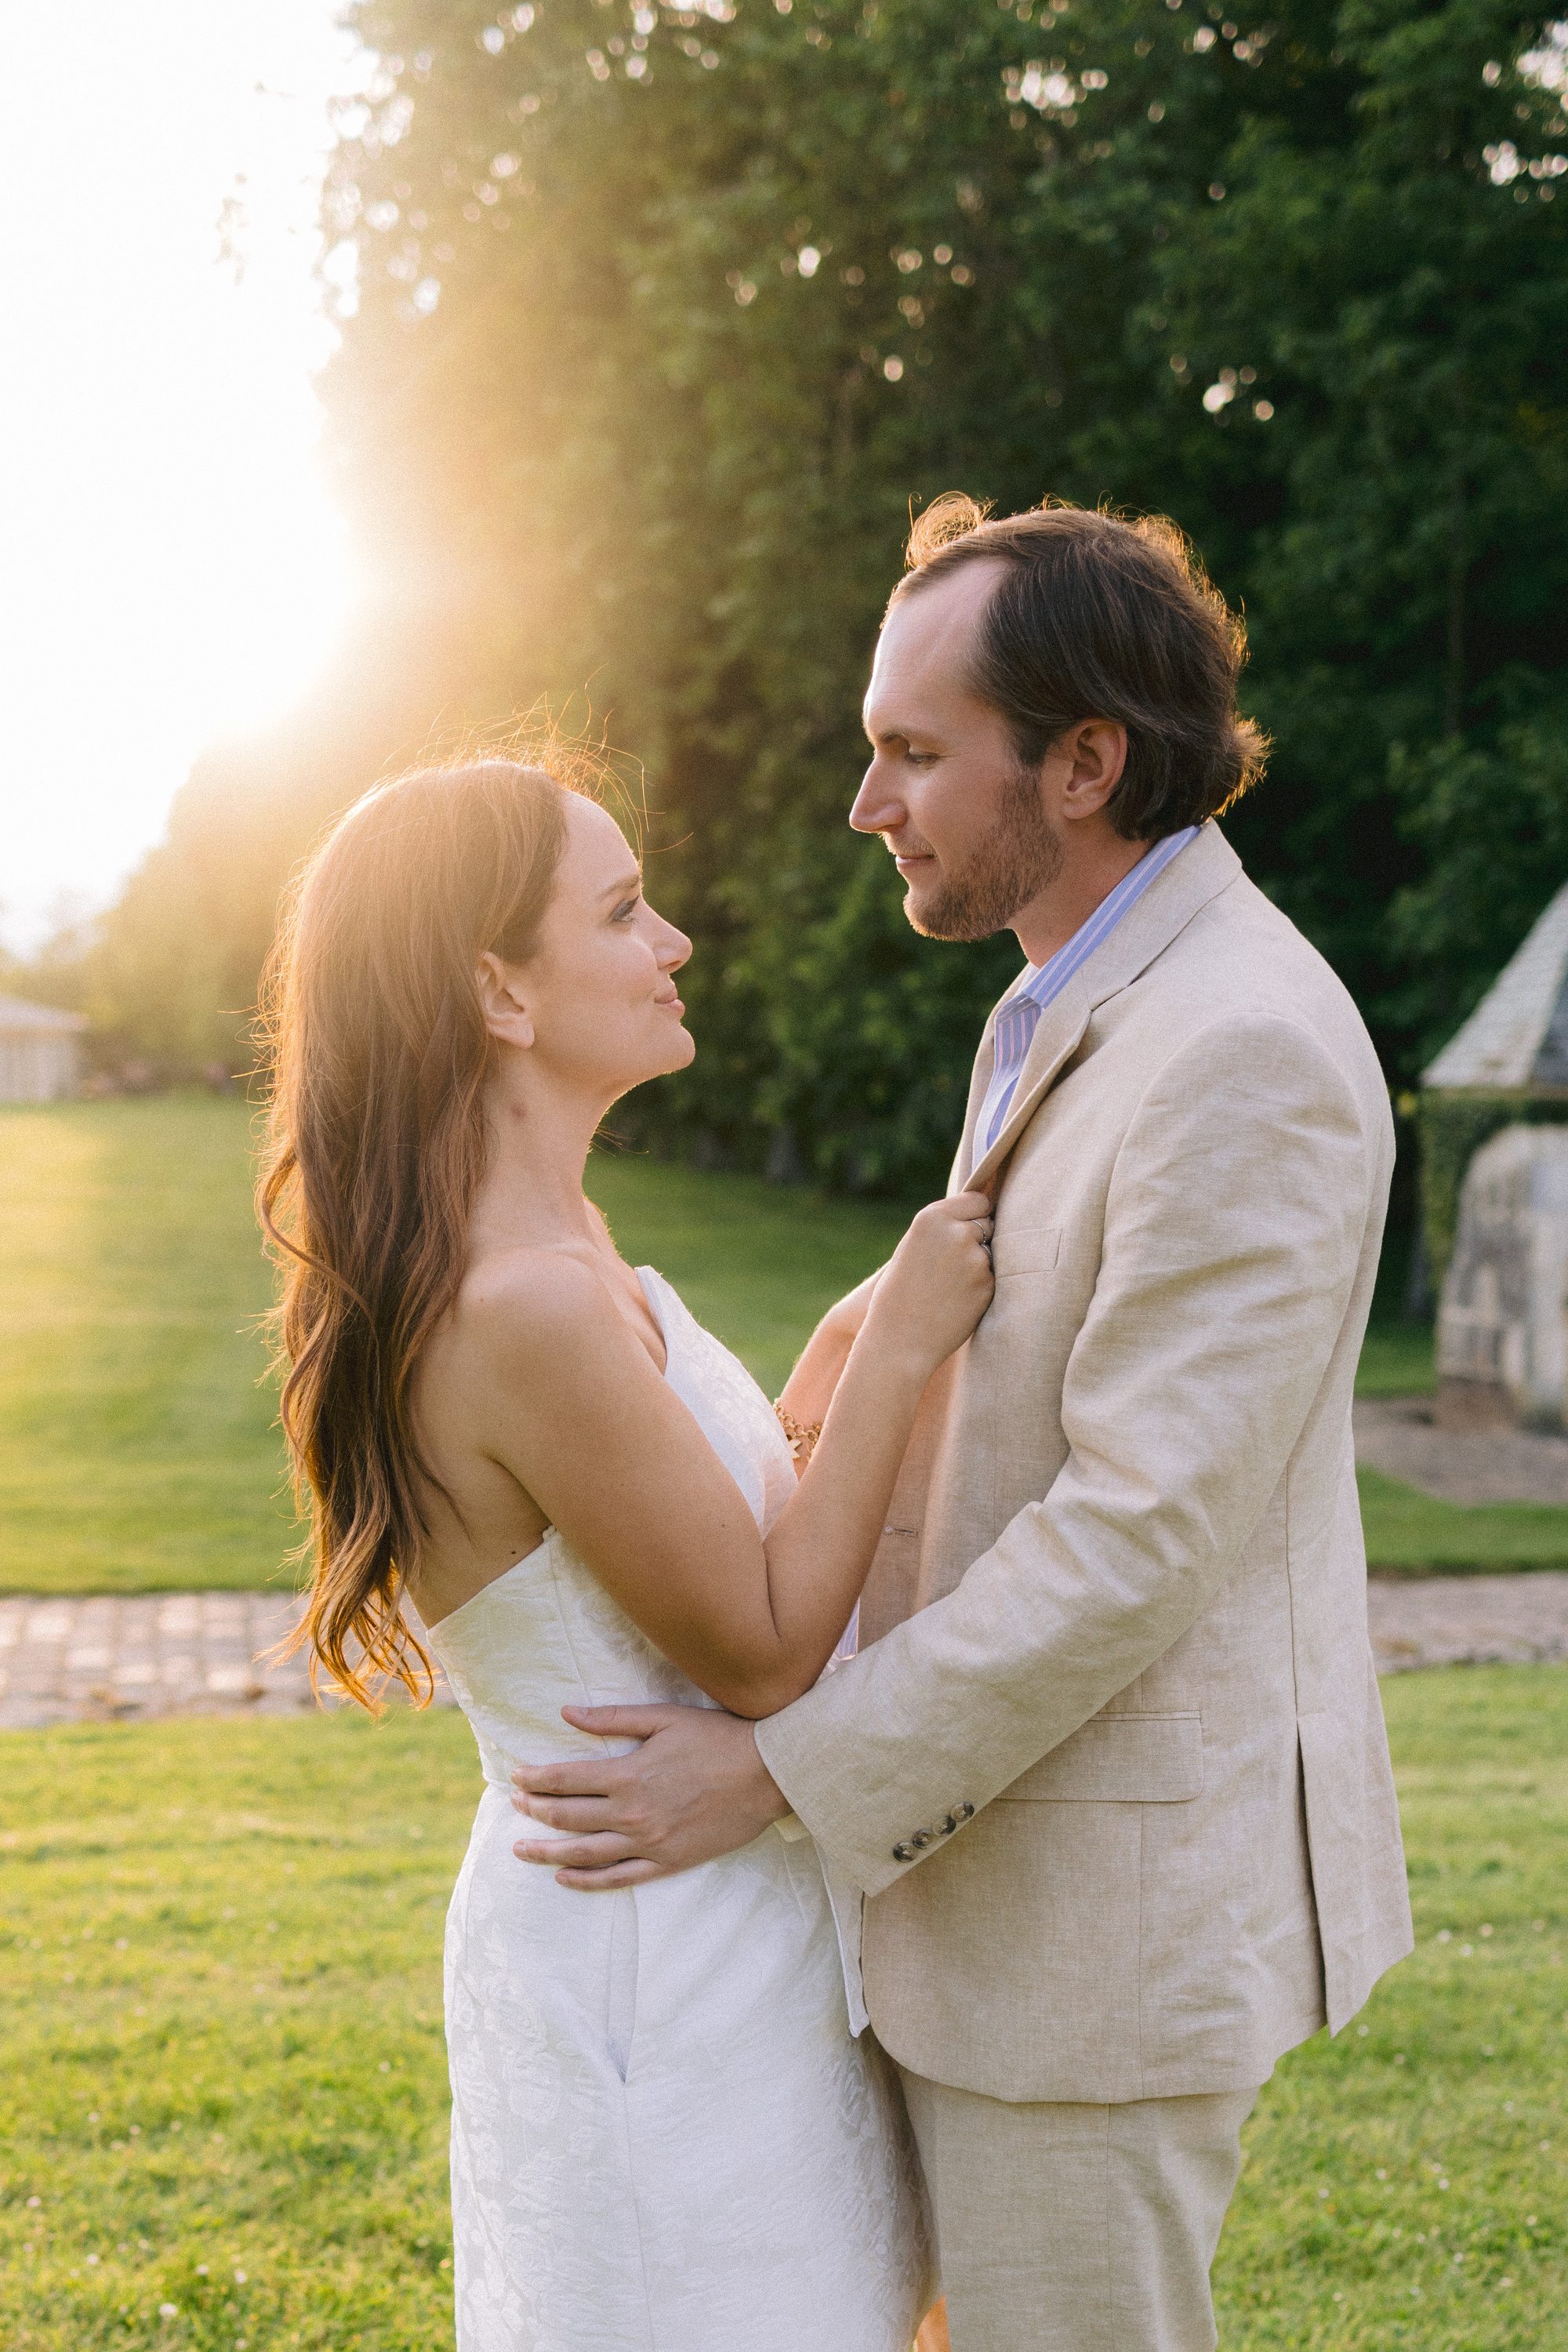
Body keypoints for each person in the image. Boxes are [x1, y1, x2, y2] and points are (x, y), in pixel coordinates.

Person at [510, 496, 1416, 2352]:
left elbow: (1133, 1542)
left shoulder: (1241, 1045)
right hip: (975, 1898)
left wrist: (775, 1772)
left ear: (1085, 763)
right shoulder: (1061, 996)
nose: (868, 805)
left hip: (1101, 1934)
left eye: (911, 755)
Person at [256, 753, 988, 2350]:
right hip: (653, 1969)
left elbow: (702, 1534)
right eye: (622, 911)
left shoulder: (557, 1250)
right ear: (497, 993)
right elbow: (765, 1644)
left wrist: (835, 1351)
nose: (673, 944)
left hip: (726, 1931)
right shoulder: (520, 1306)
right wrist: (904, 1346)